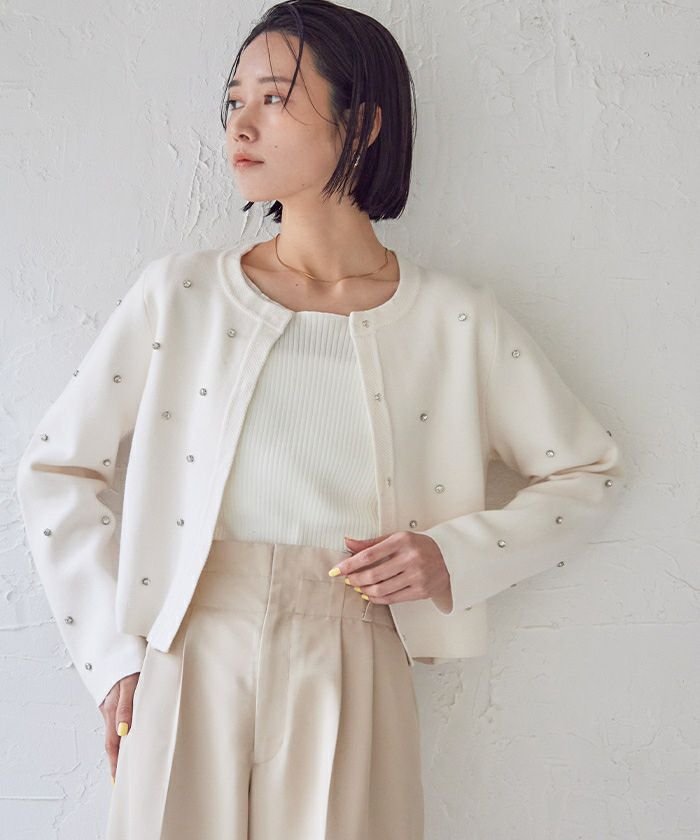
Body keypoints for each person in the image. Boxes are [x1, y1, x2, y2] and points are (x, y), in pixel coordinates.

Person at [15, 2, 624, 838]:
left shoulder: (454, 320)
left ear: (362, 123)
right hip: (186, 648)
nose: (241, 124)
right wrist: (114, 657)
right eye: (234, 100)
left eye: (274, 97)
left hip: (356, 650)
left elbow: (588, 471)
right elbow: (57, 467)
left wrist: (454, 556)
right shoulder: (181, 295)